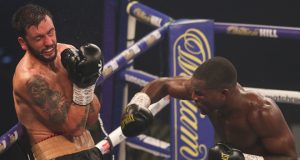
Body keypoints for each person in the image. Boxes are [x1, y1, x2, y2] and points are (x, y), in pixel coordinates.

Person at [120, 56, 297, 160]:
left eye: (200, 94)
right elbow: (163, 84)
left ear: (224, 93)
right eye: (194, 92)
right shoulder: (204, 91)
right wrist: (137, 104)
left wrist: (245, 159)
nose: (193, 97)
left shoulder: (261, 112)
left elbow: (289, 158)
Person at [11, 4, 104, 160]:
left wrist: (89, 78)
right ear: (23, 42)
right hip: (56, 155)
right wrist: (82, 86)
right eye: (39, 38)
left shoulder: (66, 53)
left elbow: (92, 117)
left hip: (88, 147)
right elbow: (74, 129)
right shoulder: (29, 78)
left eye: (51, 32)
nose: (49, 42)